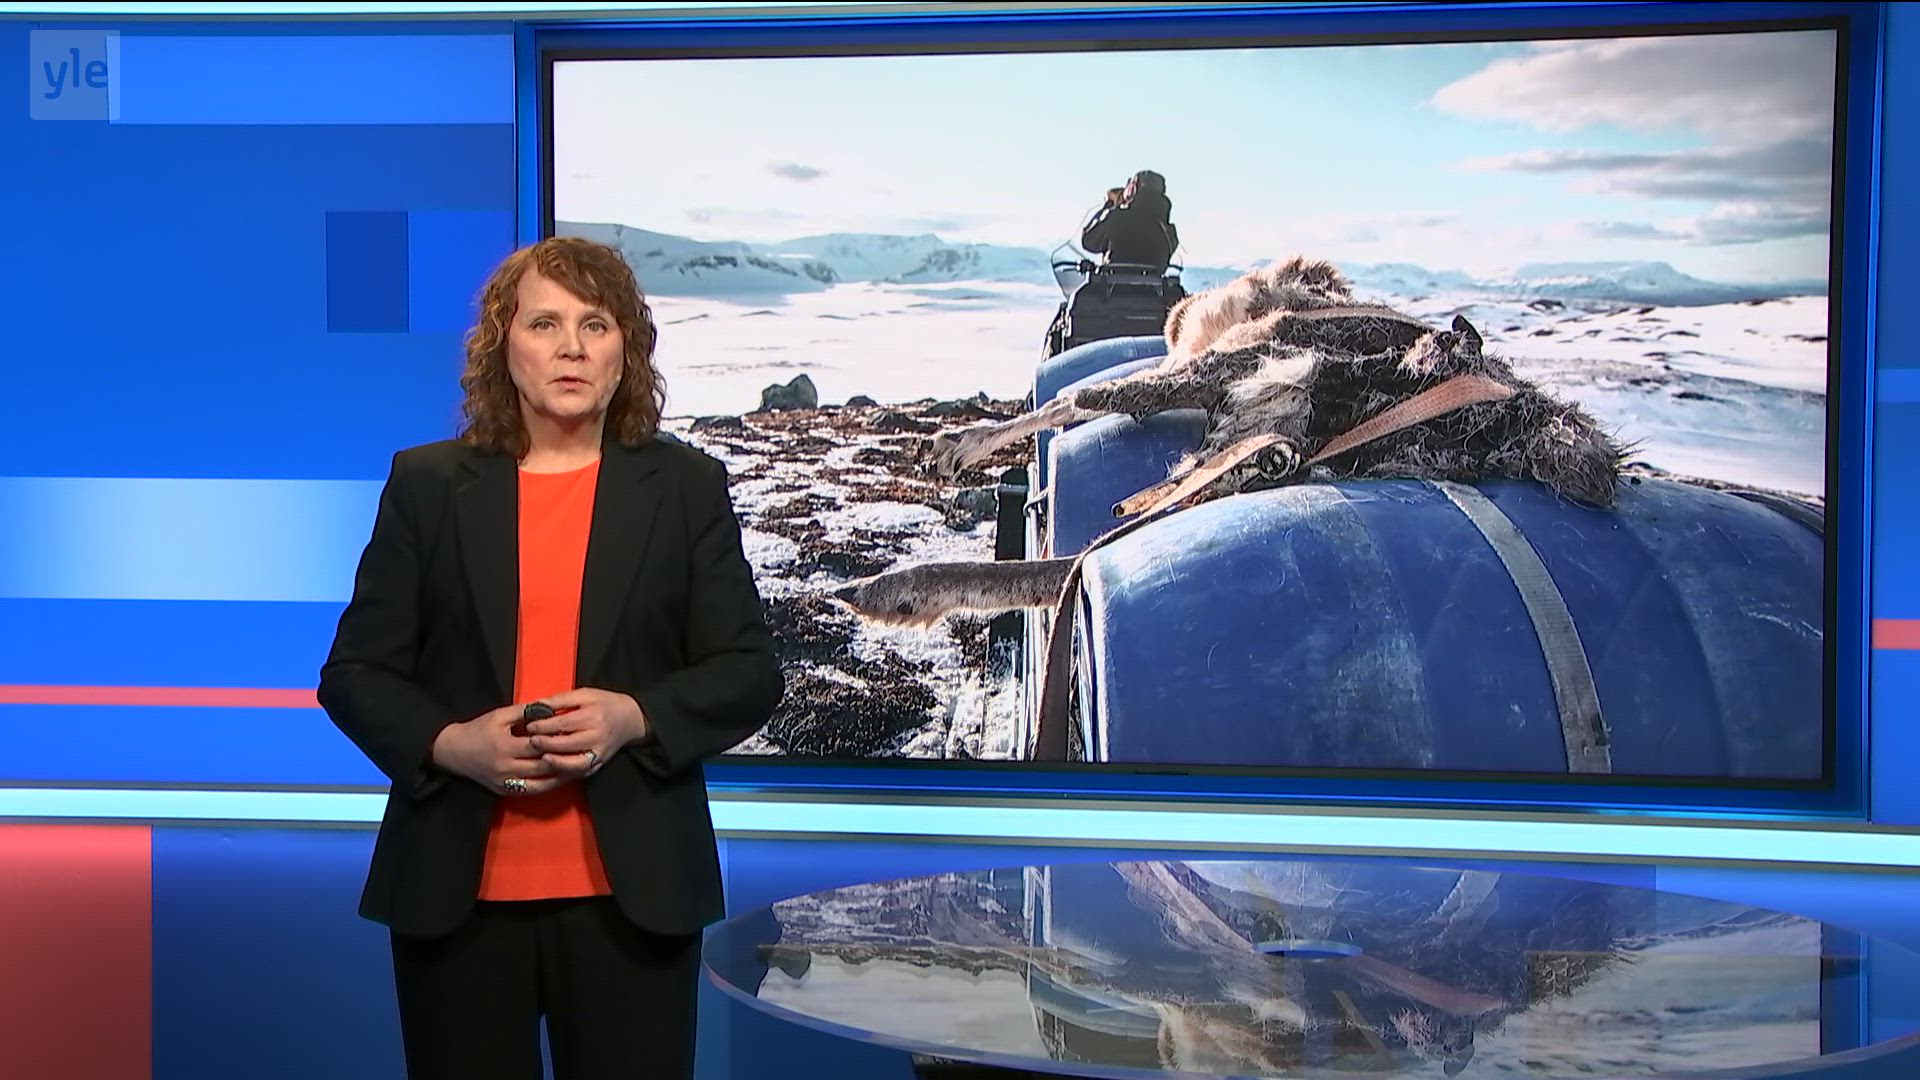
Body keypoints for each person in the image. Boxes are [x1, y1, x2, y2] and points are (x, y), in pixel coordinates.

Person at [317, 235, 783, 1080]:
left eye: (595, 325)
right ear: (505, 347)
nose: (571, 347)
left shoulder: (685, 488)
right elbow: (355, 674)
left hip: (633, 897)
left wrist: (633, 717)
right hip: (455, 897)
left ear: (625, 351)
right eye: (545, 323)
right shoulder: (427, 485)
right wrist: (451, 744)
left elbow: (748, 671)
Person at [1079, 169, 1180, 272]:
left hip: (1114, 280)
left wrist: (1110, 204)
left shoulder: (1116, 217)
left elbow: (1088, 241)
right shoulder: (1168, 231)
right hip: (1152, 281)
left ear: (1132, 189)